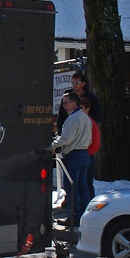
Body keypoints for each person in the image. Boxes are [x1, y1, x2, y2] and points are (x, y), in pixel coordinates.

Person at [52, 92, 92, 227]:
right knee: (83, 187)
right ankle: (85, 217)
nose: (63, 106)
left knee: (71, 188)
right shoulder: (86, 118)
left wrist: (53, 145)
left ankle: (73, 217)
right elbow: (90, 139)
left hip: (74, 155)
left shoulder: (73, 119)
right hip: (84, 154)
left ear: (74, 104)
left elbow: (66, 138)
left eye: (66, 103)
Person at [80, 95, 101, 203]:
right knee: (84, 184)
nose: (80, 111)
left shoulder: (88, 122)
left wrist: (84, 152)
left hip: (86, 156)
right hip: (85, 155)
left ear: (87, 109)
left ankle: (88, 208)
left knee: (86, 184)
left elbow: (94, 143)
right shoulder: (84, 121)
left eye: (82, 108)